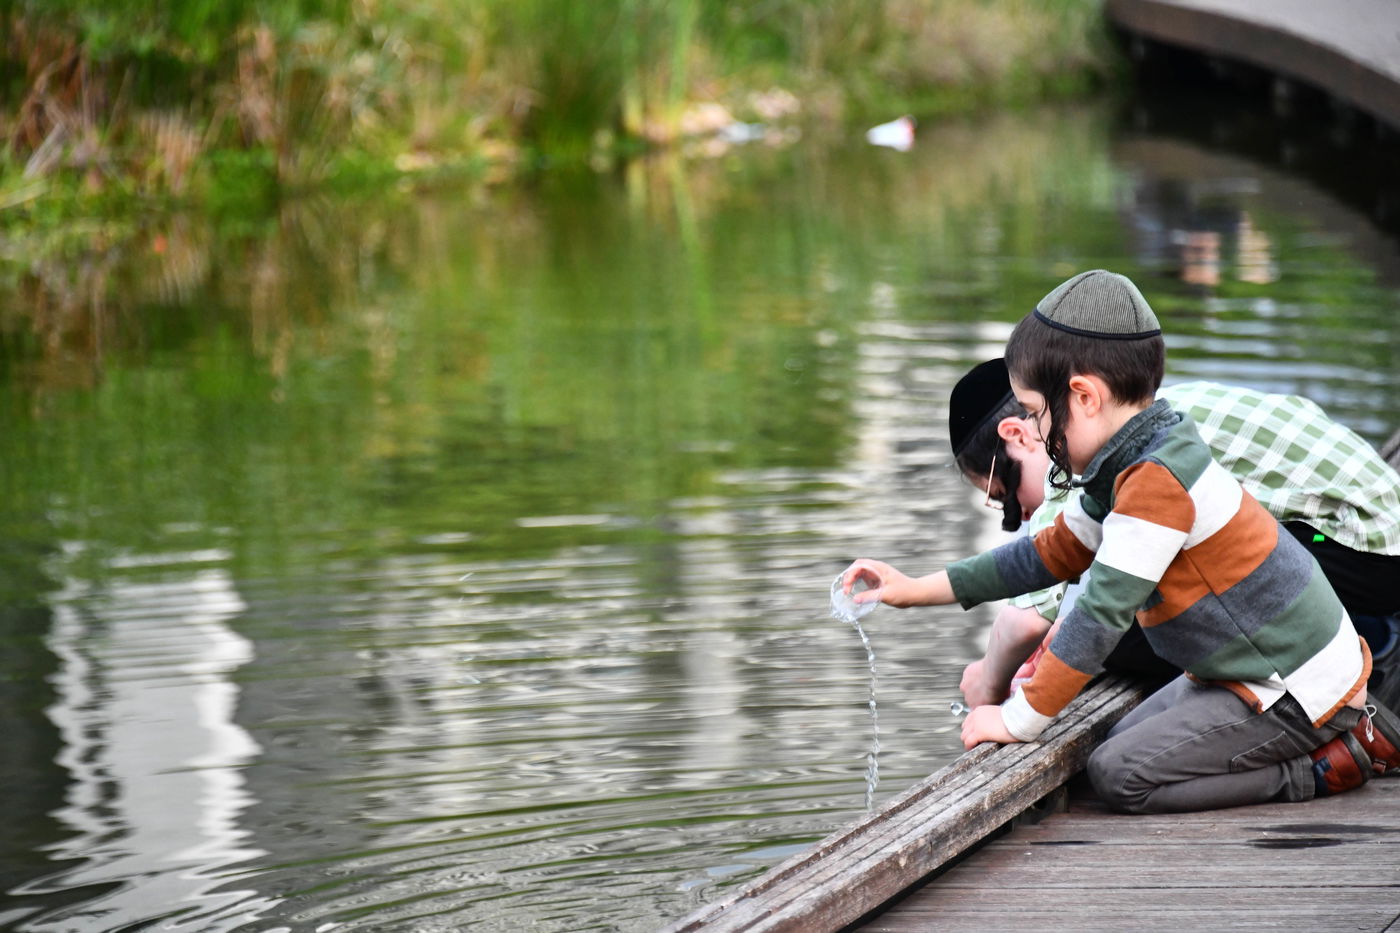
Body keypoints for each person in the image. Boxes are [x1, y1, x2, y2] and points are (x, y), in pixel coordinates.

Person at [844, 269, 1400, 813]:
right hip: (1240, 672)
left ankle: (1324, 765)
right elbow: (1045, 556)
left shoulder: (1155, 481)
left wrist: (1017, 720)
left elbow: (1101, 613)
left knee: (1119, 776)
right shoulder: (1128, 461)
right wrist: (913, 588)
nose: (1035, 434)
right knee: (1105, 745)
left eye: (1036, 414)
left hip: (1294, 688)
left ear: (1084, 397)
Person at [948, 360, 1400, 710]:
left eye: (1005, 497)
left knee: (1127, 629)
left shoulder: (1083, 452)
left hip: (1357, 549)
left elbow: (1025, 619)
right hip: (1371, 540)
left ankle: (1364, 643)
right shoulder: (1143, 410)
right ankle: (1368, 632)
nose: (1022, 517)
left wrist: (989, 681)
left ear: (1020, 435)